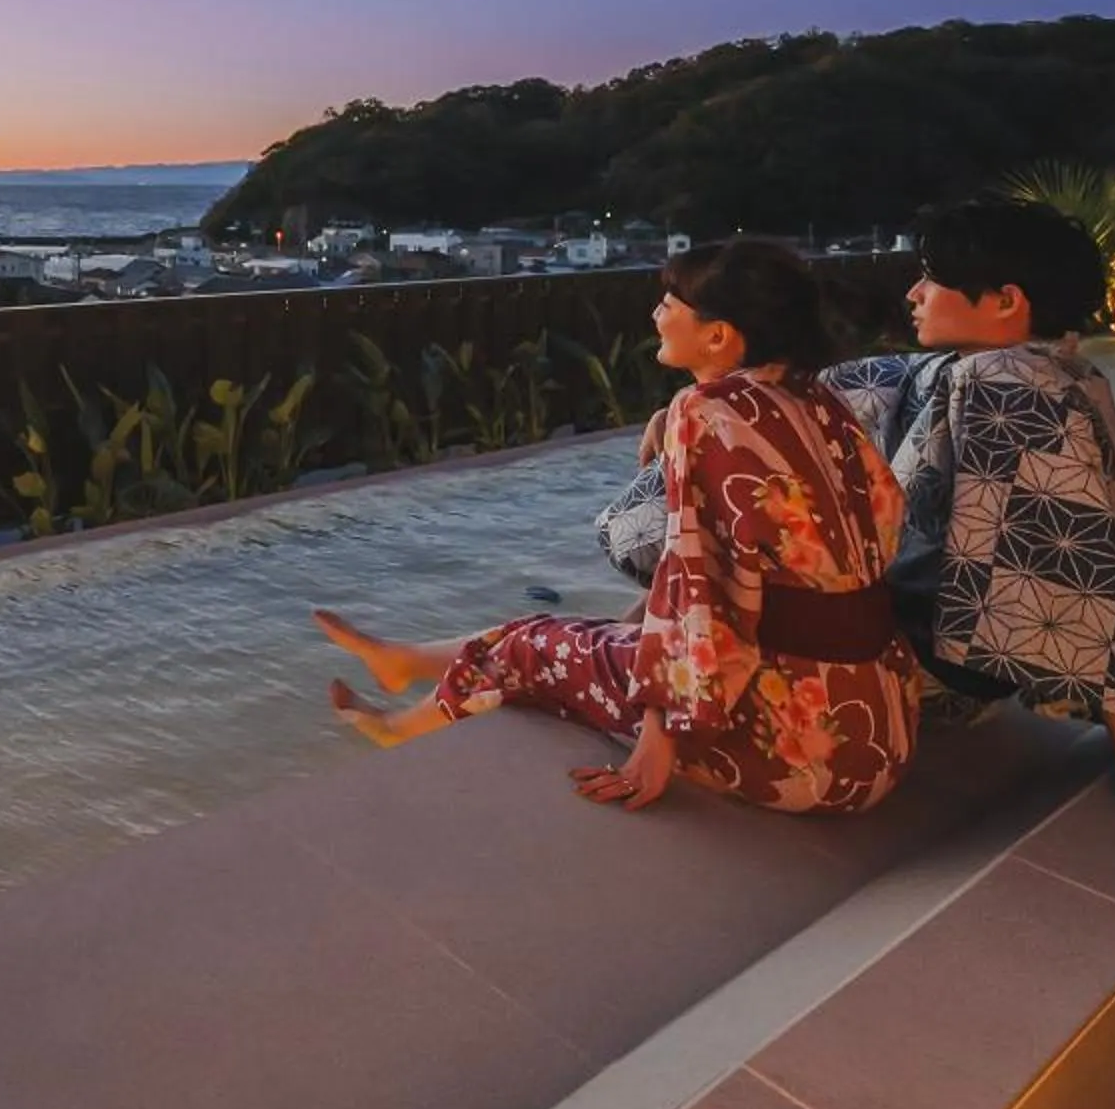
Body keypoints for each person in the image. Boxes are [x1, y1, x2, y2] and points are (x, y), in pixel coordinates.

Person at [314, 240, 919, 815]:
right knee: (576, 634)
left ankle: (398, 730)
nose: (656, 315)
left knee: (531, 649)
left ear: (718, 335)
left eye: (669, 303)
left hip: (794, 755)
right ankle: (405, 662)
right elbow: (868, 533)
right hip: (880, 739)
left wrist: (658, 741)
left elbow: (699, 593)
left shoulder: (706, 411)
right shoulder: (821, 403)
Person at [820, 197, 1115, 886]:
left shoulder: (1011, 388)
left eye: (933, 278)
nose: (913, 294)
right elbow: (858, 383)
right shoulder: (1044, 370)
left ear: (1006, 301)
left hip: (918, 677)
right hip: (951, 666)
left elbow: (1083, 568)